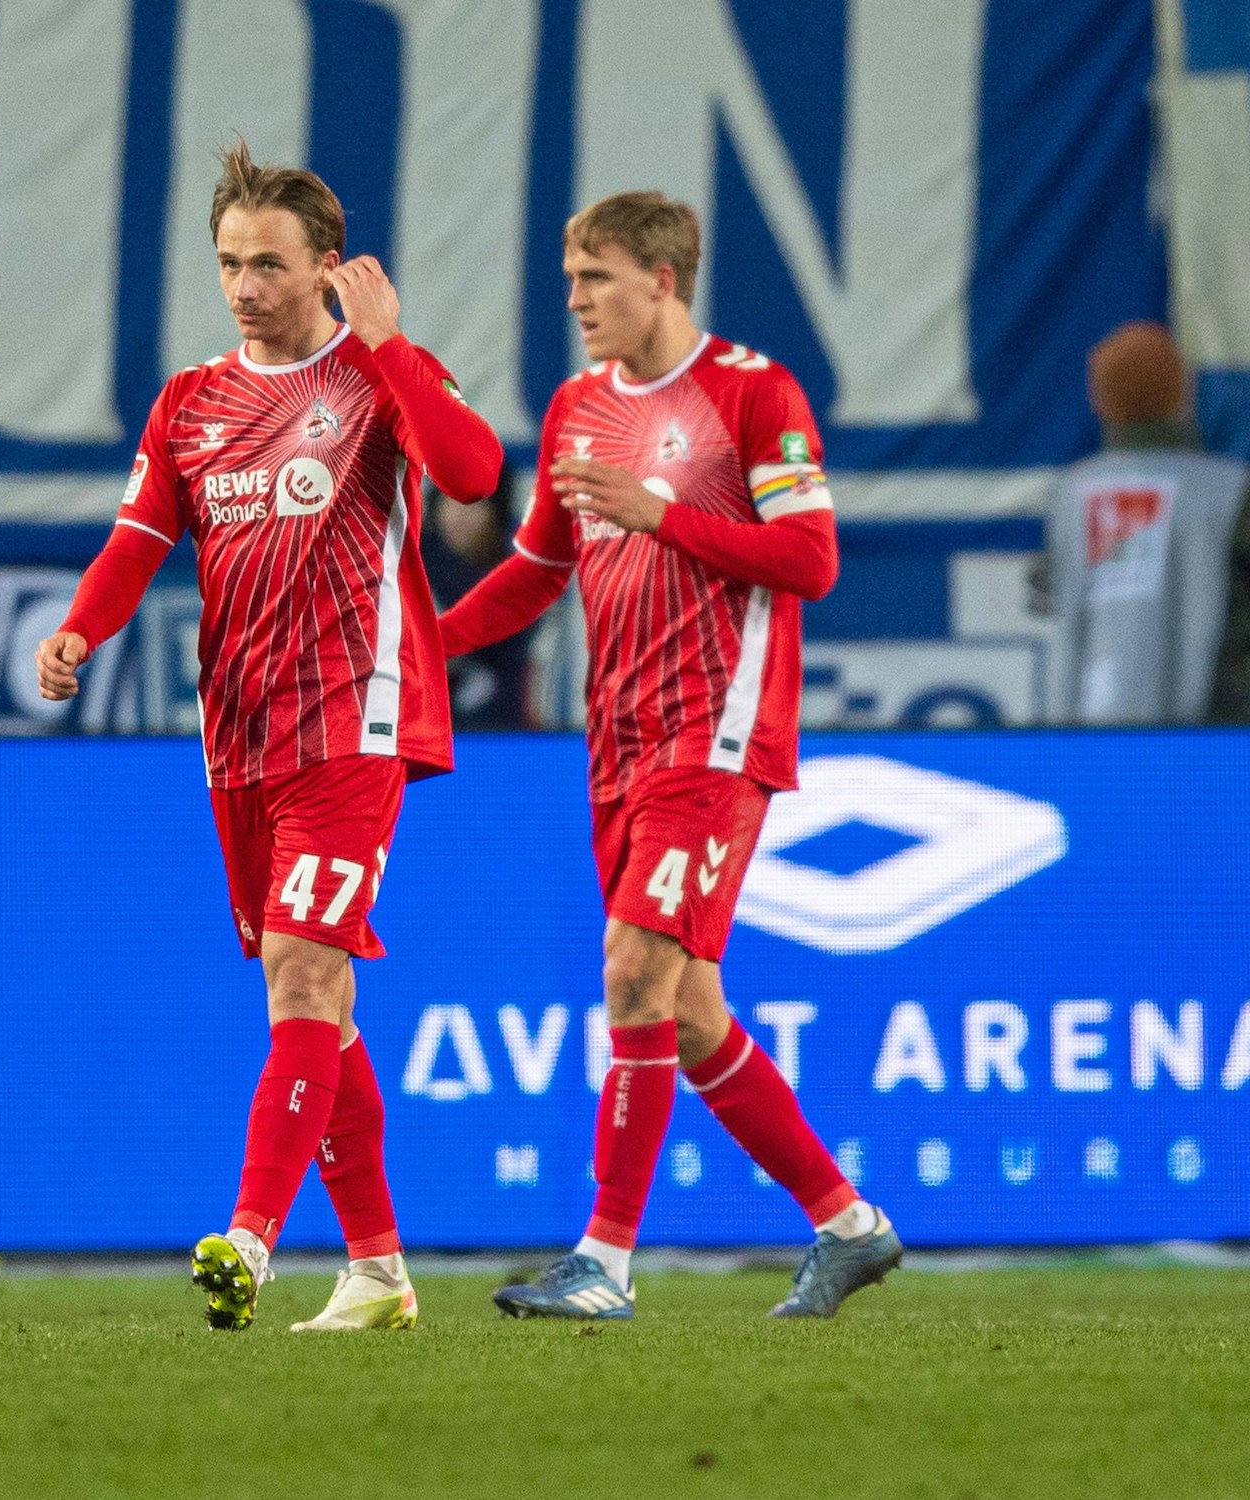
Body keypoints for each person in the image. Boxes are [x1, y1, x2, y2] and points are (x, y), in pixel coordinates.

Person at [35, 140, 502, 1331]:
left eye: (268, 263)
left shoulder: (375, 377)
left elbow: (471, 472)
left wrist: (392, 346)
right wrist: (81, 633)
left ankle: (248, 1234)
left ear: (326, 269)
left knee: (304, 969)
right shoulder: (191, 402)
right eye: (229, 262)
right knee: (315, 1007)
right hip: (237, 738)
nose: (244, 285)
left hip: (357, 717)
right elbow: (139, 539)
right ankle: (380, 1271)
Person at [441, 190, 901, 1320]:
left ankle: (601, 1262)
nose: (579, 303)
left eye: (596, 279)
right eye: (570, 283)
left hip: (718, 733)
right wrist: (423, 646)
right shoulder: (571, 412)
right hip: (617, 742)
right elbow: (538, 571)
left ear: (663, 278)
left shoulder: (752, 392)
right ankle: (851, 1228)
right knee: (687, 1010)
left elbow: (809, 559)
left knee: (633, 970)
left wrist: (660, 513)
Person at [1080, 321, 1250, 723]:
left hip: (1098, 737)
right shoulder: (1227, 491)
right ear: (1184, 394)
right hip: (1223, 739)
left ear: (1099, 400)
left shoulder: (1073, 497)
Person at [419, 467, 535, 729]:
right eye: (450, 503)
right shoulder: (409, 565)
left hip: (493, 737)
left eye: (475, 506)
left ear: (497, 516)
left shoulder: (520, 580)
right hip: (420, 729)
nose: (460, 516)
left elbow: (512, 684)